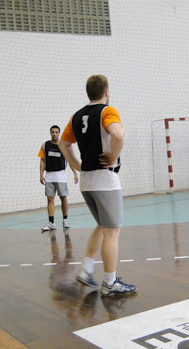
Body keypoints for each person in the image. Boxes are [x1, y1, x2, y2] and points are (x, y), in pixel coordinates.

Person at [59, 74, 137, 297]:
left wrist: (77, 165)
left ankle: (86, 269)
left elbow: (64, 144)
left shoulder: (76, 115)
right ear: (106, 92)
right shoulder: (107, 111)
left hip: (87, 182)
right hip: (105, 179)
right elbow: (118, 135)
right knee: (112, 232)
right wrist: (113, 156)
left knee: (103, 227)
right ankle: (110, 283)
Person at [38, 125, 78, 231]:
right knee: (50, 199)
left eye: (56, 132)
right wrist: (41, 174)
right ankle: (51, 223)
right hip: (49, 176)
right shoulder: (45, 145)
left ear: (59, 133)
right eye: (52, 132)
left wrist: (75, 173)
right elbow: (42, 160)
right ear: (50, 133)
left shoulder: (63, 145)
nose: (54, 134)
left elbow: (70, 160)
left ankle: (65, 220)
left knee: (63, 198)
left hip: (61, 176)